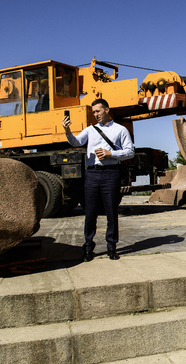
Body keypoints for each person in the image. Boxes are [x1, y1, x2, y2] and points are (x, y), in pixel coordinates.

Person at [62, 98, 134, 261]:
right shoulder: (90, 130)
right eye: (93, 112)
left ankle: (111, 247)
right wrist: (67, 130)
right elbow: (76, 142)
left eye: (98, 111)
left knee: (111, 212)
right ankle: (88, 248)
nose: (95, 115)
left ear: (107, 110)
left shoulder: (120, 130)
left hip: (111, 173)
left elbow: (130, 152)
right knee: (90, 213)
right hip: (92, 174)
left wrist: (111, 154)